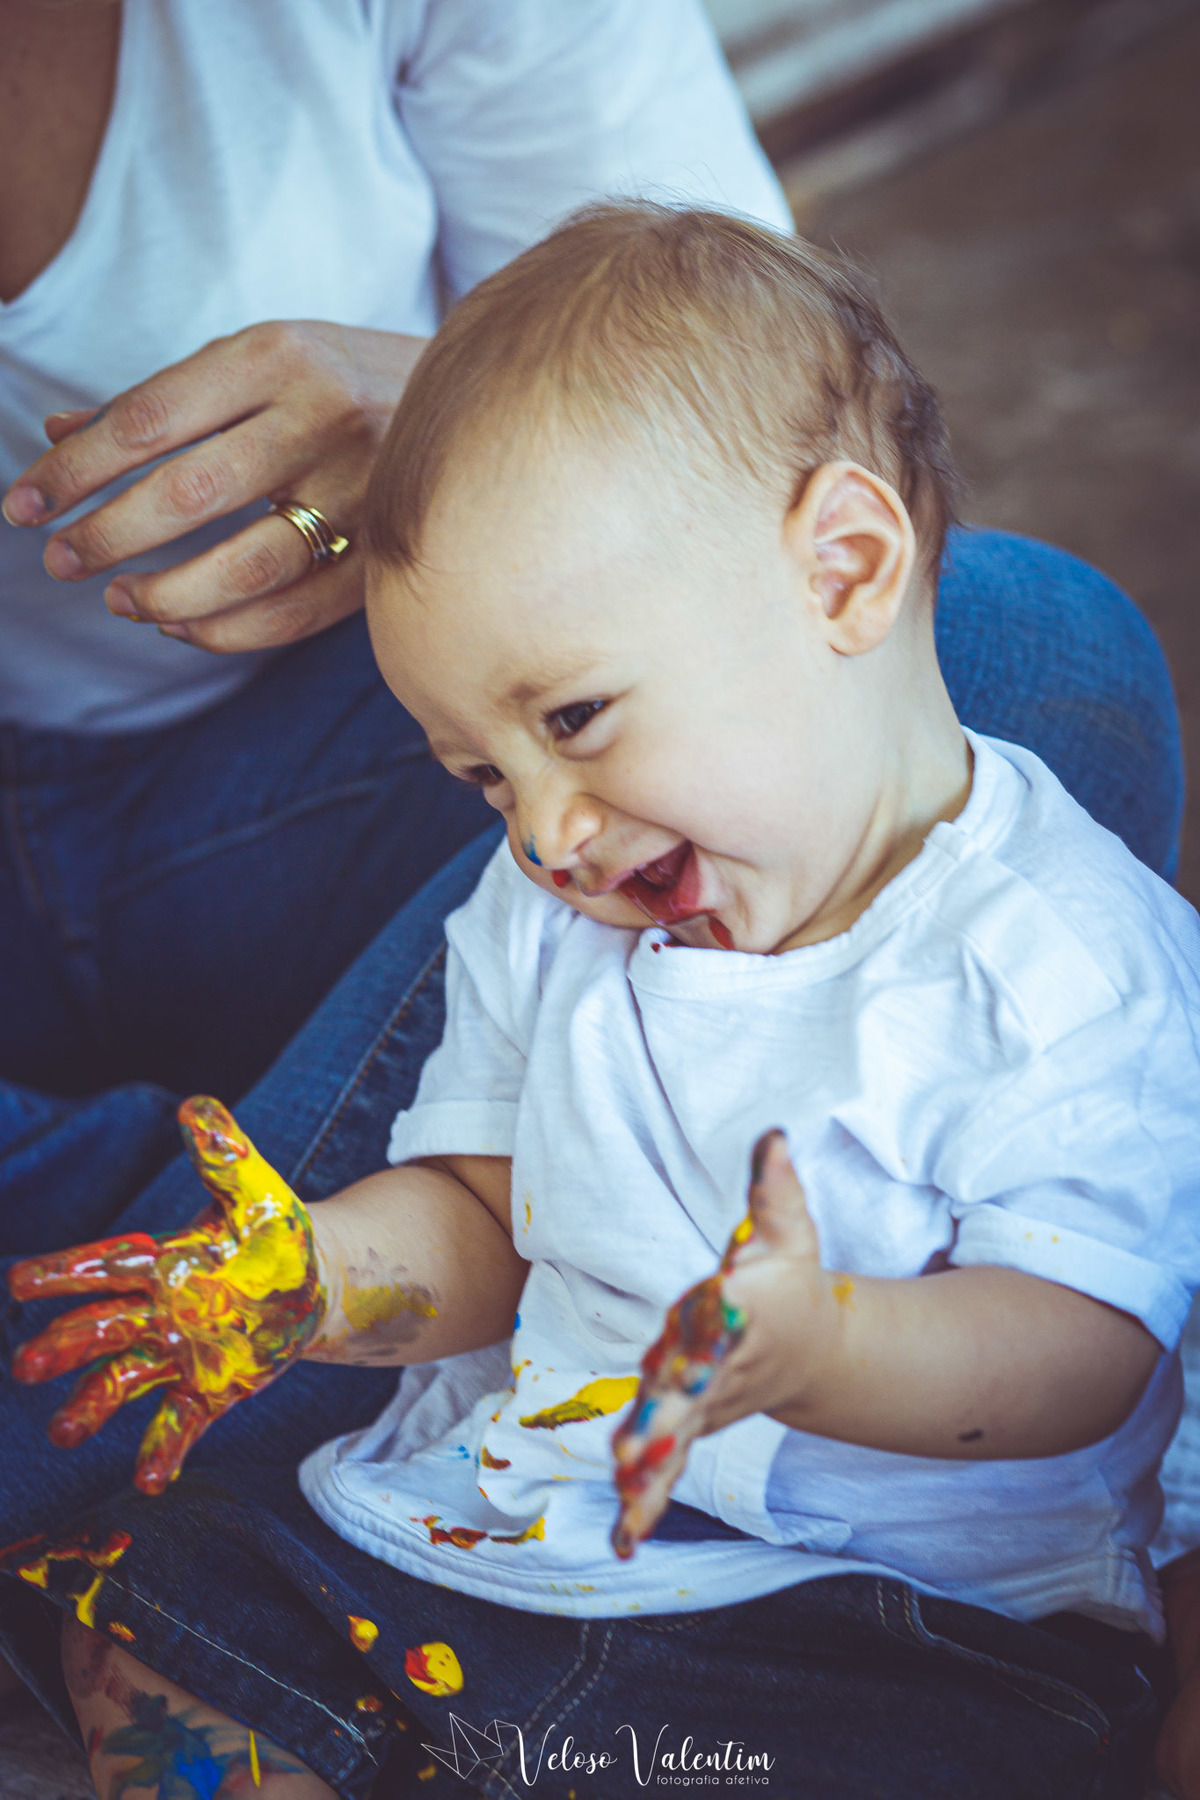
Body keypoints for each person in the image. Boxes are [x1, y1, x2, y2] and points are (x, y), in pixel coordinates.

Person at [5, 205, 1198, 1800]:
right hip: (517, 1534)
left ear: (844, 572)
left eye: (574, 719)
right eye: (483, 775)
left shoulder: (1061, 964)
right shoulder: (544, 913)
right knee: (170, 1610)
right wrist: (319, 1282)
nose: (546, 831)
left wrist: (822, 1348)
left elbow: (1089, 1355)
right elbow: (485, 1221)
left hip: (871, 1621)